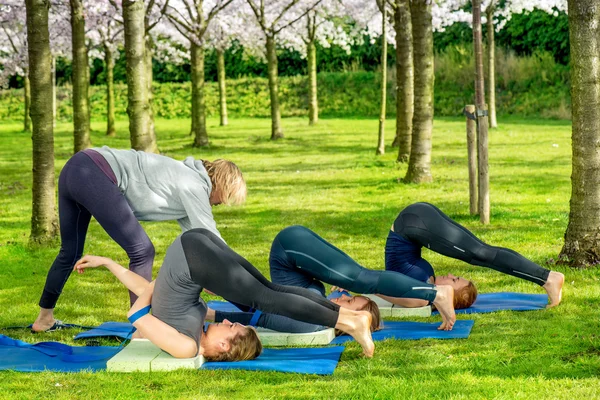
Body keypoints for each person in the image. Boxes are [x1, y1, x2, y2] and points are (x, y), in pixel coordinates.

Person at [33, 146, 246, 332]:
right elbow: (211, 236)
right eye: (226, 196)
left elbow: (202, 242)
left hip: (77, 167)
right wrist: (245, 283)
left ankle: (44, 320)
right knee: (142, 251)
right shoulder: (194, 184)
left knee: (69, 253)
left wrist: (216, 276)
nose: (222, 204)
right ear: (219, 182)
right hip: (93, 172)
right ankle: (142, 330)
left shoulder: (186, 179)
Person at [74, 228, 375, 358]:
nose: (230, 324)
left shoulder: (187, 347)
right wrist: (110, 263)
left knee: (266, 296)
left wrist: (153, 287)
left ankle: (348, 320)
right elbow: (149, 293)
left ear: (218, 347)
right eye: (233, 328)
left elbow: (137, 313)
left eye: (230, 330)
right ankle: (347, 317)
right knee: (268, 292)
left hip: (193, 255)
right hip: (192, 249)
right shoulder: (188, 327)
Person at [249, 225, 457, 331]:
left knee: (360, 278)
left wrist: (215, 313)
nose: (342, 297)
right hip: (293, 248)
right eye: (349, 297)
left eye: (348, 301)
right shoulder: (319, 311)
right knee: (360, 279)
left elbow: (254, 309)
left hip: (291, 248)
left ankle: (435, 293)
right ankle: (436, 293)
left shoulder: (312, 320)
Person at [384, 202, 564, 309]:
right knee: (482, 252)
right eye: (456, 278)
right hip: (416, 222)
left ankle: (547, 278)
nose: (451, 275)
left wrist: (365, 287)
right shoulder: (426, 288)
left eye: (454, 280)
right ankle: (547, 278)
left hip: (415, 222)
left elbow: (381, 288)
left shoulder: (422, 297)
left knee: (482, 253)